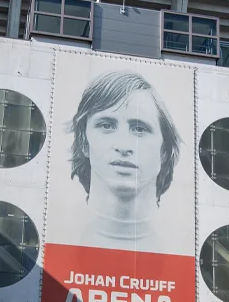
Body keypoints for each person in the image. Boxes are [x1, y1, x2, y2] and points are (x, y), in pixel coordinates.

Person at [68, 71, 181, 253]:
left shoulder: (178, 245)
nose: (123, 146)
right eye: (106, 125)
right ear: (83, 141)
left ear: (164, 151)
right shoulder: (63, 233)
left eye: (139, 129)